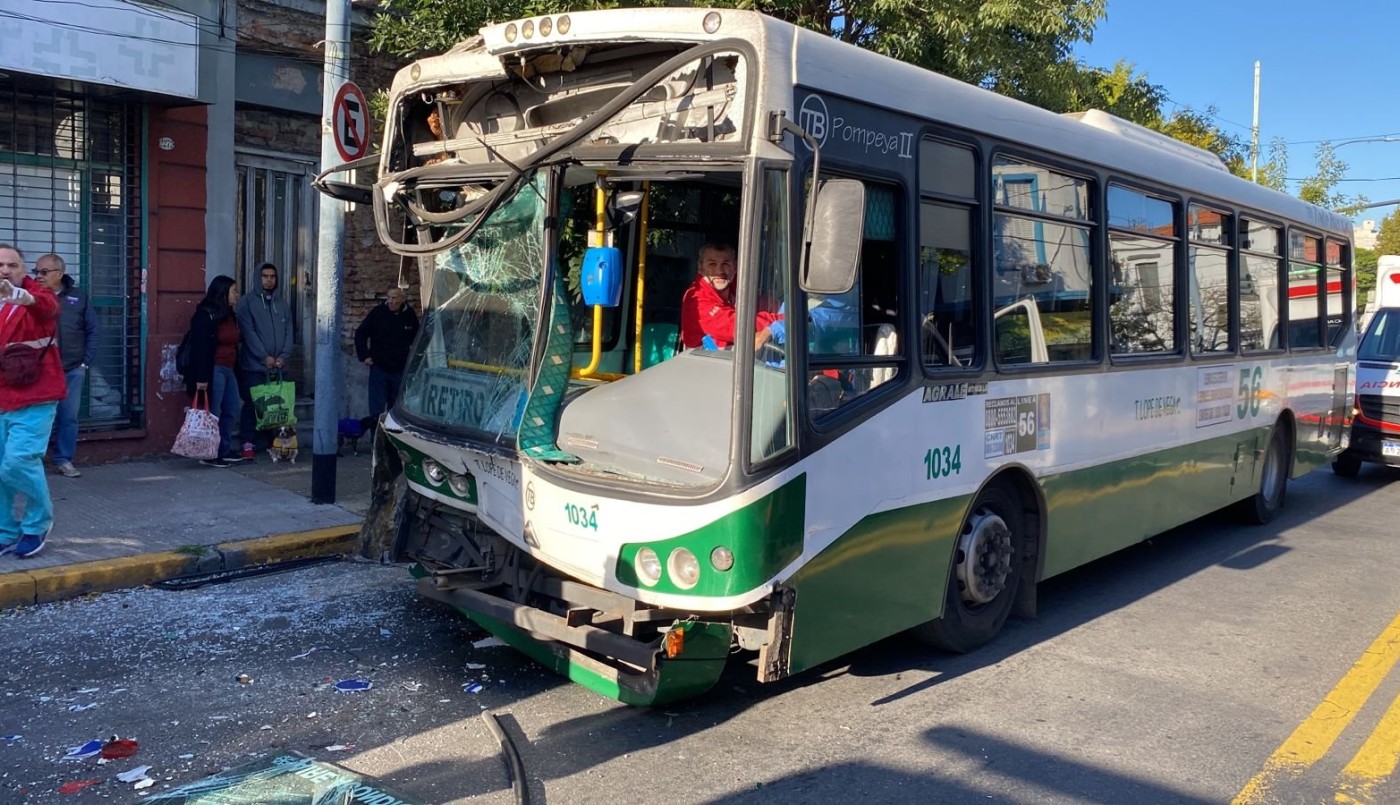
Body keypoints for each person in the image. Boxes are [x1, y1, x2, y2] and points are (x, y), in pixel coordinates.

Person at [0, 244, 65, 558]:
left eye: (12, 265)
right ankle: (6, 530)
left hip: (35, 397)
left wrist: (22, 297)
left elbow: (46, 307)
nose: (5, 270)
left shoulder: (37, 295)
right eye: (0, 265)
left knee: (18, 461)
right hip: (2, 400)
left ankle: (37, 522)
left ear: (22, 269)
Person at [35, 254, 97, 479]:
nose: (38, 276)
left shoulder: (78, 298)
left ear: (59, 274)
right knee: (39, 416)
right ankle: (34, 462)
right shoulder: (32, 297)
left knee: (68, 416)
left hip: (71, 369)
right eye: (36, 271)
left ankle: (63, 459)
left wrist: (84, 363)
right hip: (39, 371)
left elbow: (92, 331)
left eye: (44, 272)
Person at [679, 243, 783, 351]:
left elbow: (761, 303)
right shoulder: (697, 300)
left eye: (726, 264)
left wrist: (784, 309)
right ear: (700, 268)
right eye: (712, 264)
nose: (719, 271)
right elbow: (741, 327)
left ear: (736, 267)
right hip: (706, 364)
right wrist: (785, 321)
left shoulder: (731, 284)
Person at [186, 275, 243, 467]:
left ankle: (224, 448)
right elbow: (200, 348)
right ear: (223, 292)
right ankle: (210, 453)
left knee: (232, 408)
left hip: (229, 368)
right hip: (214, 369)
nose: (237, 294)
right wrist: (202, 378)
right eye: (234, 291)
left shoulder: (230, 315)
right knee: (214, 412)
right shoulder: (206, 314)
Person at [235, 262, 294, 450]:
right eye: (265, 276)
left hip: (278, 366)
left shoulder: (282, 304)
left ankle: (274, 442)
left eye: (272, 277)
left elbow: (289, 331)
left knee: (276, 406)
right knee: (253, 404)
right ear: (258, 278)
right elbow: (248, 332)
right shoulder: (246, 302)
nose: (269, 280)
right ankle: (247, 442)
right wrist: (264, 357)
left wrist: (283, 356)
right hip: (255, 366)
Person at [354, 285, 419, 423]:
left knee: (396, 411)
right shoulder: (378, 313)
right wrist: (364, 355)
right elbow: (360, 333)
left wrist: (414, 363)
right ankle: (375, 441)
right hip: (379, 368)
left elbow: (418, 339)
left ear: (402, 299)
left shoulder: (409, 315)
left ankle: (391, 442)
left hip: (400, 369)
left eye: (394, 298)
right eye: (388, 297)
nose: (390, 301)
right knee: (376, 410)